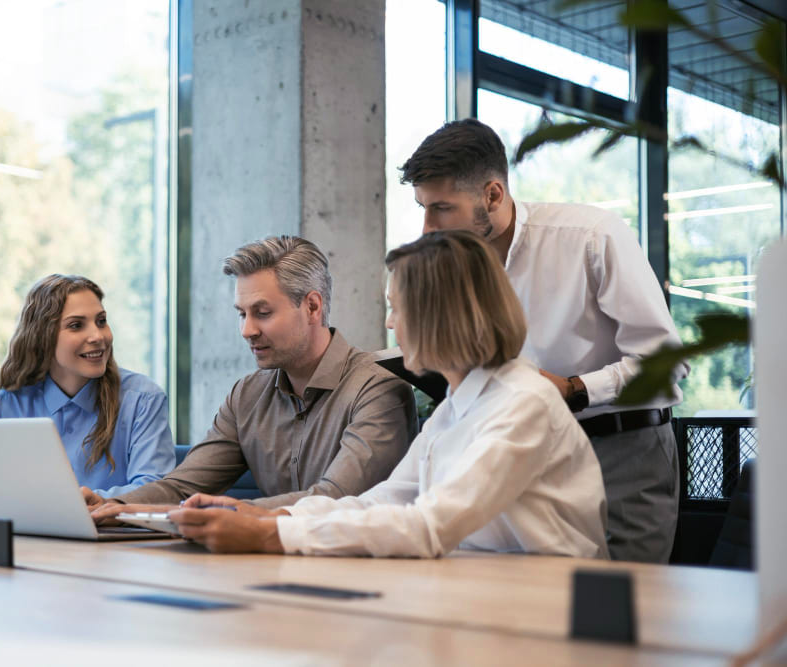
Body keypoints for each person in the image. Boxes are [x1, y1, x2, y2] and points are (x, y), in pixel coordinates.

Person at [162, 230, 609, 559]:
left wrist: (267, 536)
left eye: (397, 308)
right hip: (484, 589)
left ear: (441, 316)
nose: (391, 324)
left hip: (549, 606)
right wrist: (261, 517)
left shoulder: (523, 403)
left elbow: (428, 525)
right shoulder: (457, 406)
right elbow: (382, 499)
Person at [397, 119, 687, 563]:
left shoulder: (592, 237)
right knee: (538, 605)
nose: (427, 227)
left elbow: (666, 362)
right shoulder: (459, 269)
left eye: (441, 208)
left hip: (622, 450)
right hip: (518, 455)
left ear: (492, 194)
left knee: (621, 611)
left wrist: (575, 389)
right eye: (423, 207)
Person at [87, 235, 417, 521]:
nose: (247, 331)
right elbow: (182, 486)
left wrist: (231, 512)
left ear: (313, 307)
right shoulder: (247, 395)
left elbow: (335, 499)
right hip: (266, 566)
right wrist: (111, 505)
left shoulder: (378, 390)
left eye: (262, 313)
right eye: (242, 314)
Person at [0, 274, 175, 519]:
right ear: (43, 337)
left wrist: (96, 502)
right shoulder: (5, 402)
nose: (97, 336)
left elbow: (156, 491)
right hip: (24, 545)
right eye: (76, 325)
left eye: (101, 321)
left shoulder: (143, 399)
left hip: (112, 548)